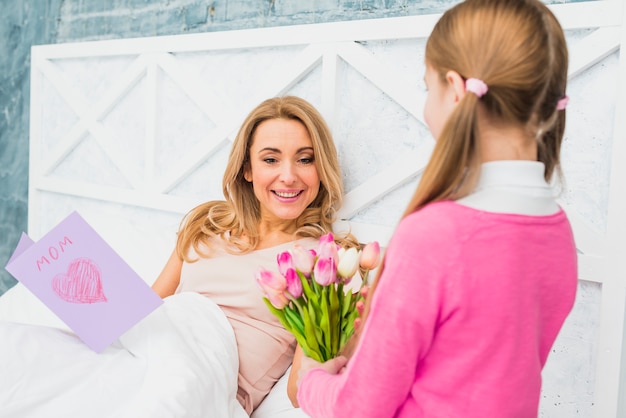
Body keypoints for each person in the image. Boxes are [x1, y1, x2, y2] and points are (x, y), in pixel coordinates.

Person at [290, 0, 578, 416]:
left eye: (429, 88)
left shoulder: (435, 235)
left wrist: (311, 381)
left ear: (456, 89)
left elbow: (360, 407)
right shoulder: (557, 230)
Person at [151, 95, 358, 414]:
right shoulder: (206, 223)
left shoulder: (323, 262)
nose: (288, 176)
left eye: (305, 159)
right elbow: (142, 312)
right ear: (247, 168)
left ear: (321, 169)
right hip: (150, 354)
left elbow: (301, 388)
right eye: (271, 160)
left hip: (199, 391)